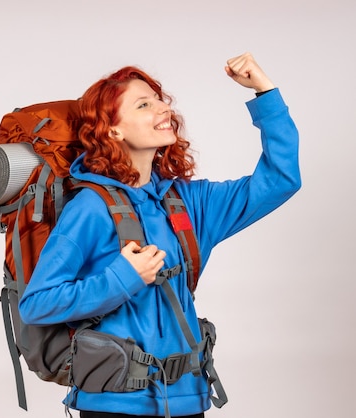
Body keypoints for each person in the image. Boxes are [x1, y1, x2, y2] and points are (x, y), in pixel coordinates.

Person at [18, 52, 301, 418]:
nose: (164, 109)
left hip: (188, 400)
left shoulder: (188, 202)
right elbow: (37, 304)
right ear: (113, 129)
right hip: (113, 405)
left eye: (161, 101)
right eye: (144, 104)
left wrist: (265, 92)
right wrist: (122, 279)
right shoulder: (90, 208)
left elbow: (280, 179)